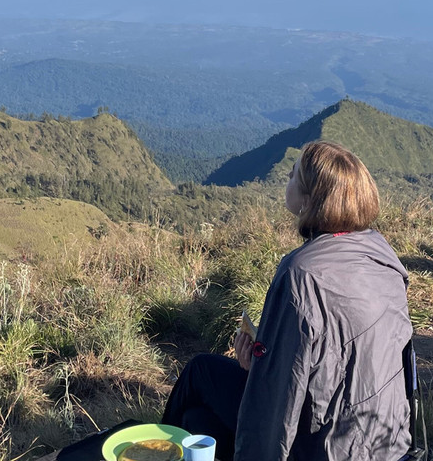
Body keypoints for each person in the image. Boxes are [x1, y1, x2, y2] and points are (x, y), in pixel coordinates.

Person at [162, 140, 414, 461]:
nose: (287, 177)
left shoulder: (302, 273)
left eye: (294, 174)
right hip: (386, 439)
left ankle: (153, 448)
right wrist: (257, 363)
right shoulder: (382, 254)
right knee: (199, 416)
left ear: (310, 198)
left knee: (197, 400)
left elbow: (276, 397)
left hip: (328, 446)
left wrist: (257, 368)